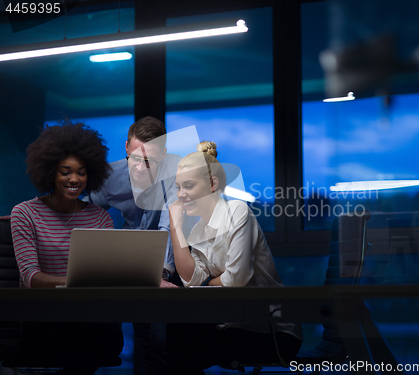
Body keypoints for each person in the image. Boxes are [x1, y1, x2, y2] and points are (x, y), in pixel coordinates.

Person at [165, 141, 303, 374]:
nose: (181, 194)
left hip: (273, 332)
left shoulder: (237, 211)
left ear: (212, 184)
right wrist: (176, 228)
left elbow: (237, 279)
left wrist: (209, 282)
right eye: (178, 187)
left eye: (188, 185)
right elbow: (192, 280)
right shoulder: (197, 230)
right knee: (178, 332)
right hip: (233, 324)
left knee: (183, 338)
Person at [10, 122, 123, 374]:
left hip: (91, 319)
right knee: (82, 347)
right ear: (50, 172)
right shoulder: (25, 213)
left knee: (101, 339)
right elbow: (31, 277)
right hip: (44, 321)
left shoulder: (100, 218)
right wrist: (75, 282)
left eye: (81, 172)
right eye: (65, 172)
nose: (74, 179)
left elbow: (108, 275)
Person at [84, 116, 181, 375]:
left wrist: (159, 273)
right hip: (134, 262)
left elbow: (169, 227)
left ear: (164, 153)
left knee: (162, 344)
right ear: (126, 147)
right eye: (135, 158)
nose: (140, 167)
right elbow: (80, 210)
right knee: (143, 343)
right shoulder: (110, 176)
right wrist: (34, 211)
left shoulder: (177, 173)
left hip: (172, 262)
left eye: (149, 160)